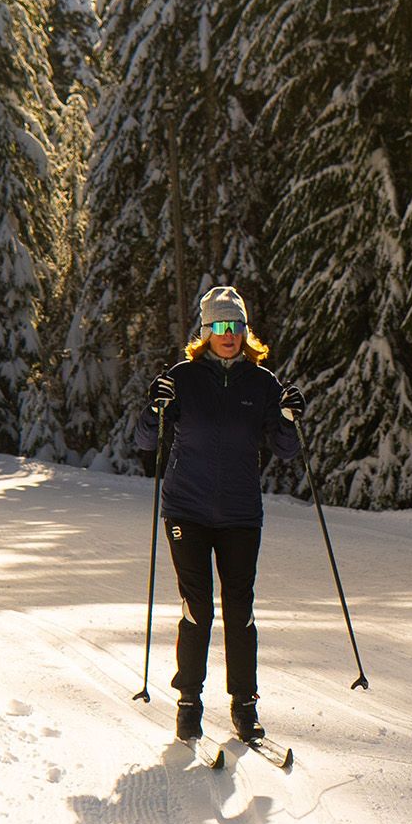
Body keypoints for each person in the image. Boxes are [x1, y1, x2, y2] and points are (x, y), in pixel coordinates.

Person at [138, 284, 300, 744]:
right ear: (205, 332)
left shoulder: (262, 384)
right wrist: (155, 408)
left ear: (246, 332)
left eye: (237, 326)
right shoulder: (183, 378)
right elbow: (148, 440)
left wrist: (288, 418)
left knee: (240, 611)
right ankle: (188, 704)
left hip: (240, 514)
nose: (229, 334)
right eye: (220, 326)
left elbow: (286, 451)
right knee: (197, 609)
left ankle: (244, 706)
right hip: (186, 510)